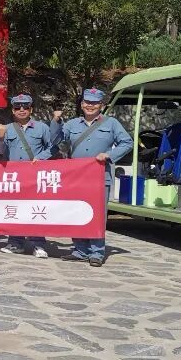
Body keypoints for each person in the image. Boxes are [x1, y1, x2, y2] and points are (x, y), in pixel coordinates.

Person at [50, 87, 132, 267]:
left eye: (94, 103)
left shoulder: (111, 123)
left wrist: (109, 155)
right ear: (81, 104)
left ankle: (96, 252)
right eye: (87, 102)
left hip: (100, 176)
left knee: (98, 215)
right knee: (76, 211)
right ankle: (80, 250)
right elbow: (56, 142)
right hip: (76, 177)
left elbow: (127, 142)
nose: (90, 105)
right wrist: (56, 121)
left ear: (101, 105)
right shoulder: (71, 124)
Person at [0, 93, 56, 258]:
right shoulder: (6, 128)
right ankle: (16, 242)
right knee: (15, 209)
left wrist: (41, 157)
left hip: (35, 176)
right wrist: (0, 137)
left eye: (25, 107)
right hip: (14, 177)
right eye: (17, 107)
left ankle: (38, 244)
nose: (21, 110)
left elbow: (52, 147)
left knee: (36, 209)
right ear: (13, 110)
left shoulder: (42, 128)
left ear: (31, 109)